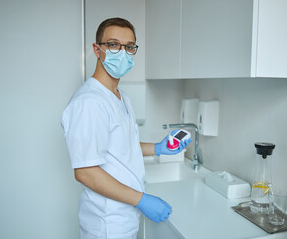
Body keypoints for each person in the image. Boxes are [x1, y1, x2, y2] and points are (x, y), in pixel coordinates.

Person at [61, 17, 191, 239]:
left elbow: (121, 146)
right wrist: (142, 200)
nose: (122, 52)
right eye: (113, 44)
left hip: (124, 216)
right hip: (106, 223)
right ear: (97, 49)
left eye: (129, 47)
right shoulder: (89, 102)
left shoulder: (120, 97)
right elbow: (85, 172)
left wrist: (158, 148)